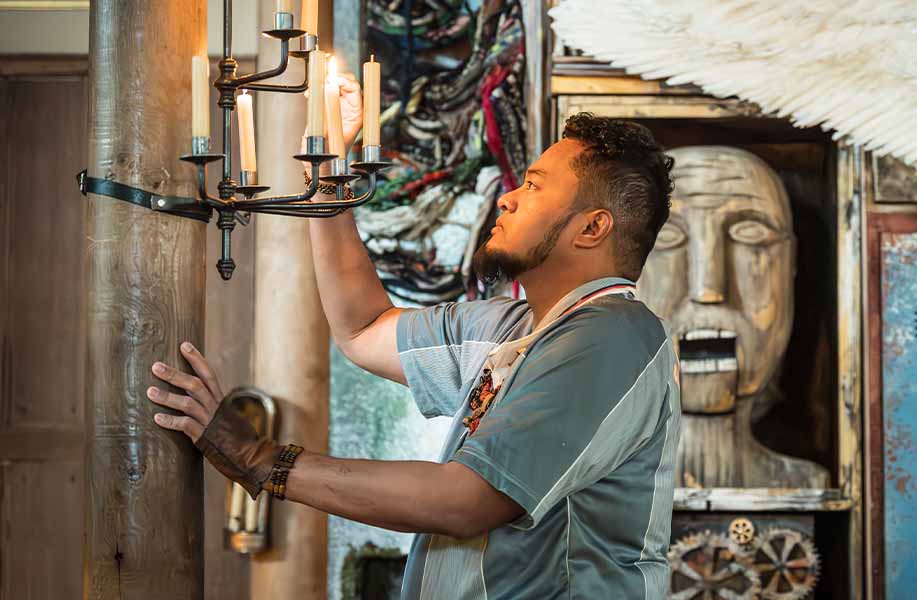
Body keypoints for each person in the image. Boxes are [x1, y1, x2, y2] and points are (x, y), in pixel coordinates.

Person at [144, 73, 681, 599]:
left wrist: (261, 459)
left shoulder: (614, 335)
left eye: (535, 186)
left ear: (592, 228)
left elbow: (466, 501)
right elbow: (364, 329)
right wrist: (329, 173)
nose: (508, 199)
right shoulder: (510, 325)